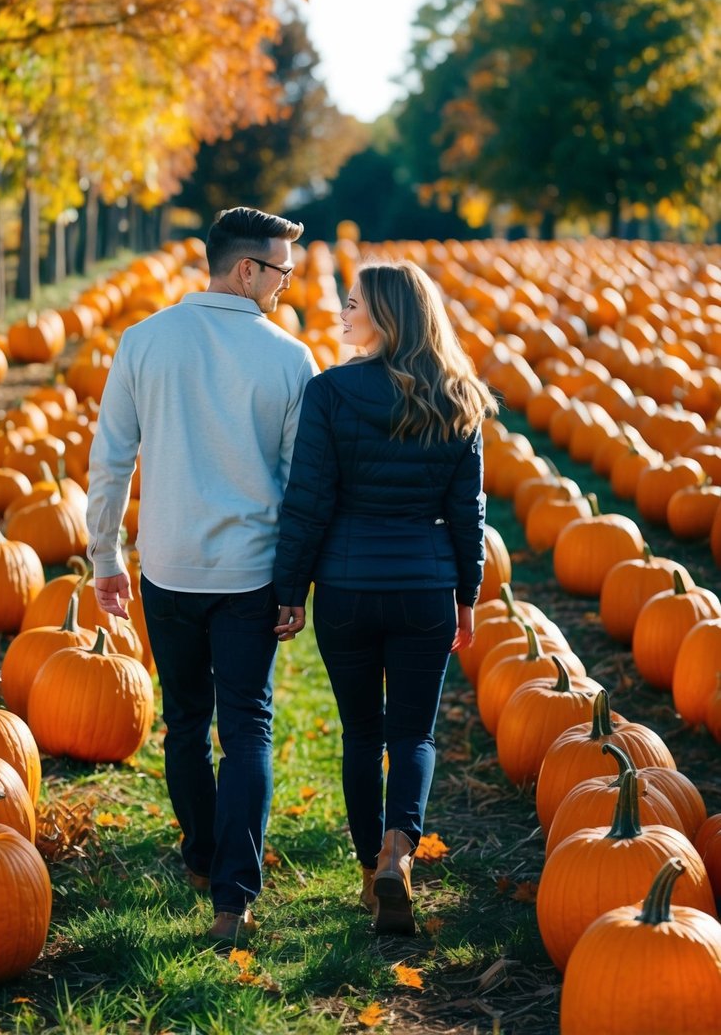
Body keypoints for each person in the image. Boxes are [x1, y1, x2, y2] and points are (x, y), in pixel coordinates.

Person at [86, 206, 318, 947]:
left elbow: (111, 458)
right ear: (246, 269)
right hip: (251, 573)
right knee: (245, 725)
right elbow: (297, 483)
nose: (287, 283)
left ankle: (199, 855)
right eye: (281, 269)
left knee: (185, 719)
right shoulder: (288, 358)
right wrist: (294, 582)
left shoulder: (144, 341)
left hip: (171, 568)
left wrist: (106, 556)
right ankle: (232, 894)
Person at [273, 261, 497, 935]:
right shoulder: (459, 396)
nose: (343, 314)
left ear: (386, 318)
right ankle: (399, 852)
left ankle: (371, 874)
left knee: (361, 734)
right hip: (424, 587)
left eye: (353, 304)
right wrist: (468, 595)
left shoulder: (331, 392)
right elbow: (468, 514)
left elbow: (308, 502)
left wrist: (290, 590)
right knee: (412, 734)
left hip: (345, 586)